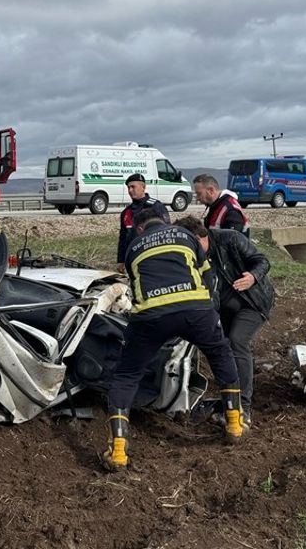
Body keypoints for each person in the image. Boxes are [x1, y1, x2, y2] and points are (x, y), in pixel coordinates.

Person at [101, 215, 243, 471]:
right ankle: (234, 423)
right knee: (221, 353)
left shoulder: (134, 246)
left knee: (126, 375)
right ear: (166, 224)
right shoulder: (186, 237)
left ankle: (118, 451)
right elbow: (209, 278)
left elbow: (136, 286)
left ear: (142, 228)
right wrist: (209, 312)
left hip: (152, 317)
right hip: (195, 311)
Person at [175, 215, 272, 427]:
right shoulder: (189, 256)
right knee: (223, 347)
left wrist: (252, 277)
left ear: (200, 237)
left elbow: (262, 260)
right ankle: (231, 395)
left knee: (237, 341)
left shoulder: (230, 239)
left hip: (252, 302)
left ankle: (243, 409)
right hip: (222, 309)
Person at [116, 173, 169, 272]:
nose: (130, 190)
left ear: (143, 187)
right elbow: (123, 238)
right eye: (128, 188)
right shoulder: (126, 212)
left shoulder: (156, 207)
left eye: (133, 187)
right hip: (133, 258)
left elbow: (166, 232)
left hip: (153, 257)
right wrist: (121, 260)